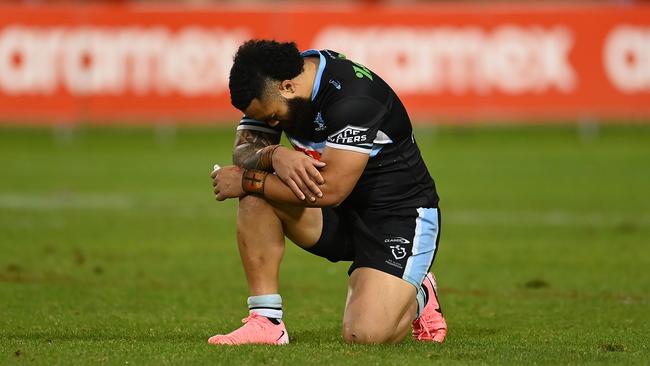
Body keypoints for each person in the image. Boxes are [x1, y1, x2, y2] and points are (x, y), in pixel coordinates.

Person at [209, 40, 447, 345]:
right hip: (336, 215)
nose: (270, 123)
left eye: (272, 116)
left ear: (287, 87)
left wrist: (245, 181)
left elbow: (331, 190)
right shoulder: (275, 83)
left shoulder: (355, 98)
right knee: (256, 197)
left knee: (366, 336)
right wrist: (275, 155)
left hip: (397, 218)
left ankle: (419, 291)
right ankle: (266, 321)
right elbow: (245, 149)